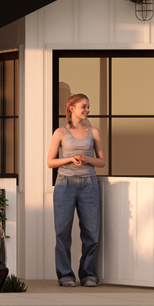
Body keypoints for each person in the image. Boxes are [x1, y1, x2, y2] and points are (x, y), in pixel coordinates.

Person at [45, 91, 107, 287]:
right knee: (62, 231)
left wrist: (87, 159)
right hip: (65, 184)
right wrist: (71, 159)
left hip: (89, 184)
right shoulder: (60, 132)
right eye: (84, 106)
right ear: (72, 109)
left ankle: (88, 275)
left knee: (91, 231)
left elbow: (102, 162)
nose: (87, 110)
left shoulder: (93, 132)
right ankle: (65, 275)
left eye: (88, 107)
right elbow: (50, 162)